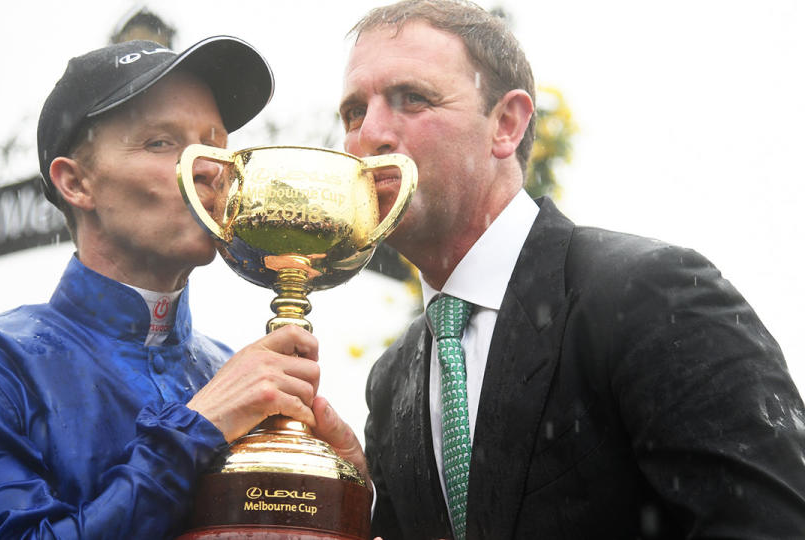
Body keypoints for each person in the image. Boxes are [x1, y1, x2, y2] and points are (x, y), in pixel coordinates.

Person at [339, 1, 805, 538]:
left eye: (412, 99)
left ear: (507, 124)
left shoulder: (654, 293)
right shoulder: (391, 380)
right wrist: (347, 503)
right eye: (353, 111)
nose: (367, 135)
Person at [0, 36, 365, 539]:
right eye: (162, 143)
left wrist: (353, 497)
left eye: (215, 145)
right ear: (76, 183)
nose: (208, 167)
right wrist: (192, 432)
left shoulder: (236, 377)